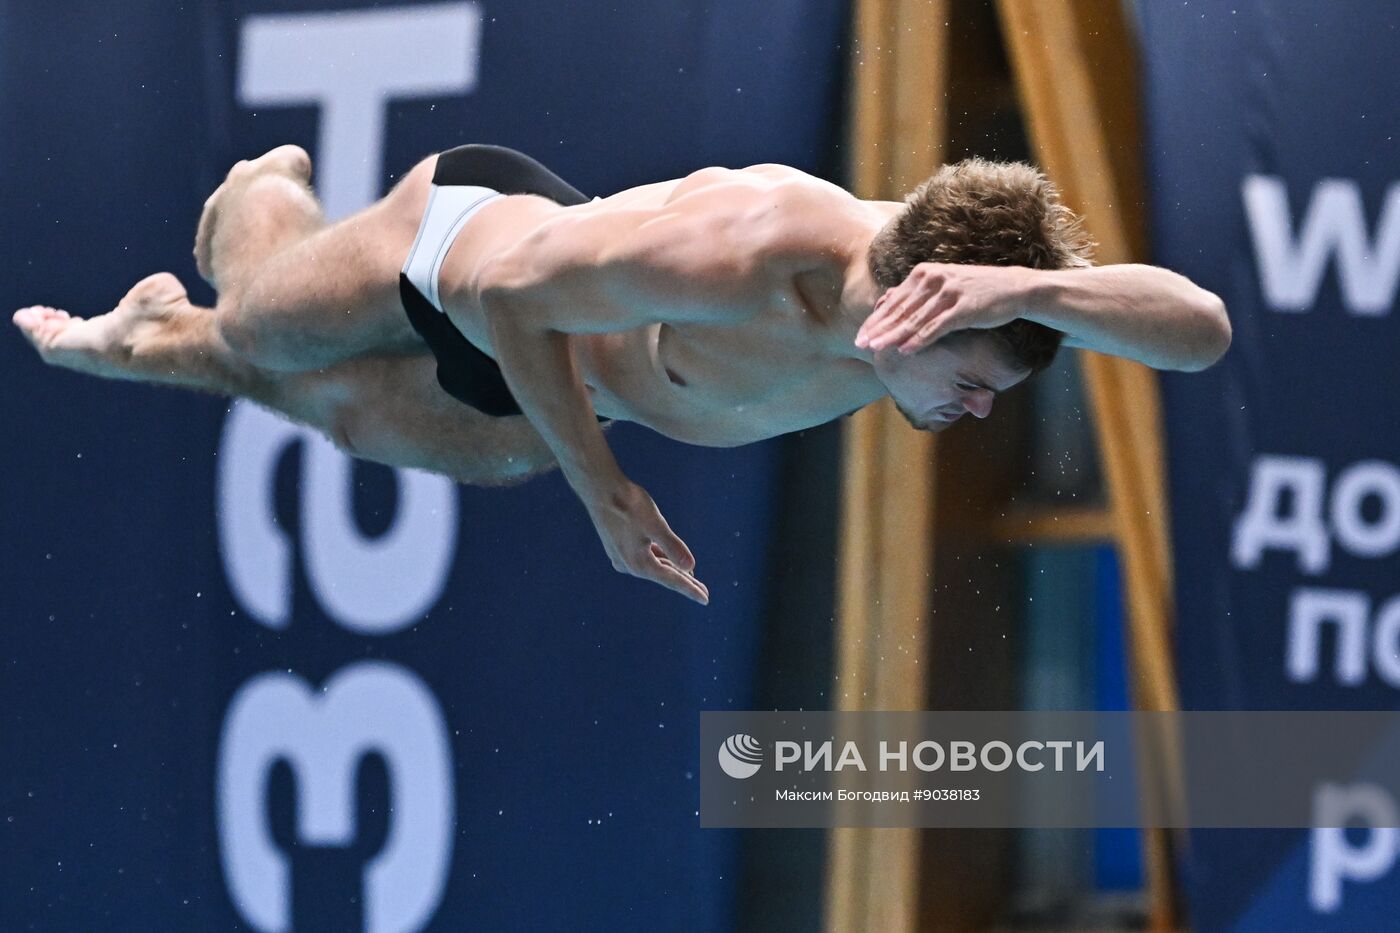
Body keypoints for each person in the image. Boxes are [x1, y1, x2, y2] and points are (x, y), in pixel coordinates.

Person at [12, 144, 1231, 605]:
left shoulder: (964, 313)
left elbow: (1201, 330)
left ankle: (150, 338)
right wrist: (602, 492)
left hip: (560, 392)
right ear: (905, 310)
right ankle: (264, 194)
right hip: (456, 257)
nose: (973, 412)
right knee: (264, 330)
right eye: (969, 384)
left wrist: (1034, 292)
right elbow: (509, 297)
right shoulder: (743, 252)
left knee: (347, 420)